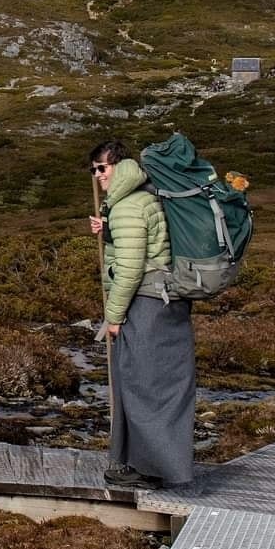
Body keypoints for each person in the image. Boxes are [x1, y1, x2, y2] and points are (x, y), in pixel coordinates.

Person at [87, 139, 194, 488]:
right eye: (94, 170)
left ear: (118, 165)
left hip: (146, 304)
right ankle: (136, 464)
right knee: (157, 384)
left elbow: (131, 269)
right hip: (165, 302)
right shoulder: (144, 196)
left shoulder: (128, 206)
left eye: (102, 168)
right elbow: (146, 243)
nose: (98, 175)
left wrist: (113, 317)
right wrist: (109, 232)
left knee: (141, 385)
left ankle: (150, 470)